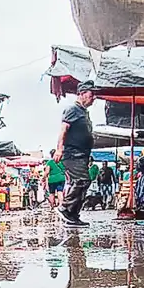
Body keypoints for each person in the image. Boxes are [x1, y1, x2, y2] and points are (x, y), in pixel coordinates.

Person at [54, 81, 97, 226]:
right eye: (92, 94)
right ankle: (65, 207)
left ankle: (73, 215)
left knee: (84, 182)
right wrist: (59, 149)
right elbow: (63, 130)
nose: (94, 98)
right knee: (81, 181)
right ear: (82, 93)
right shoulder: (72, 109)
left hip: (82, 155)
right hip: (72, 154)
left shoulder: (83, 112)